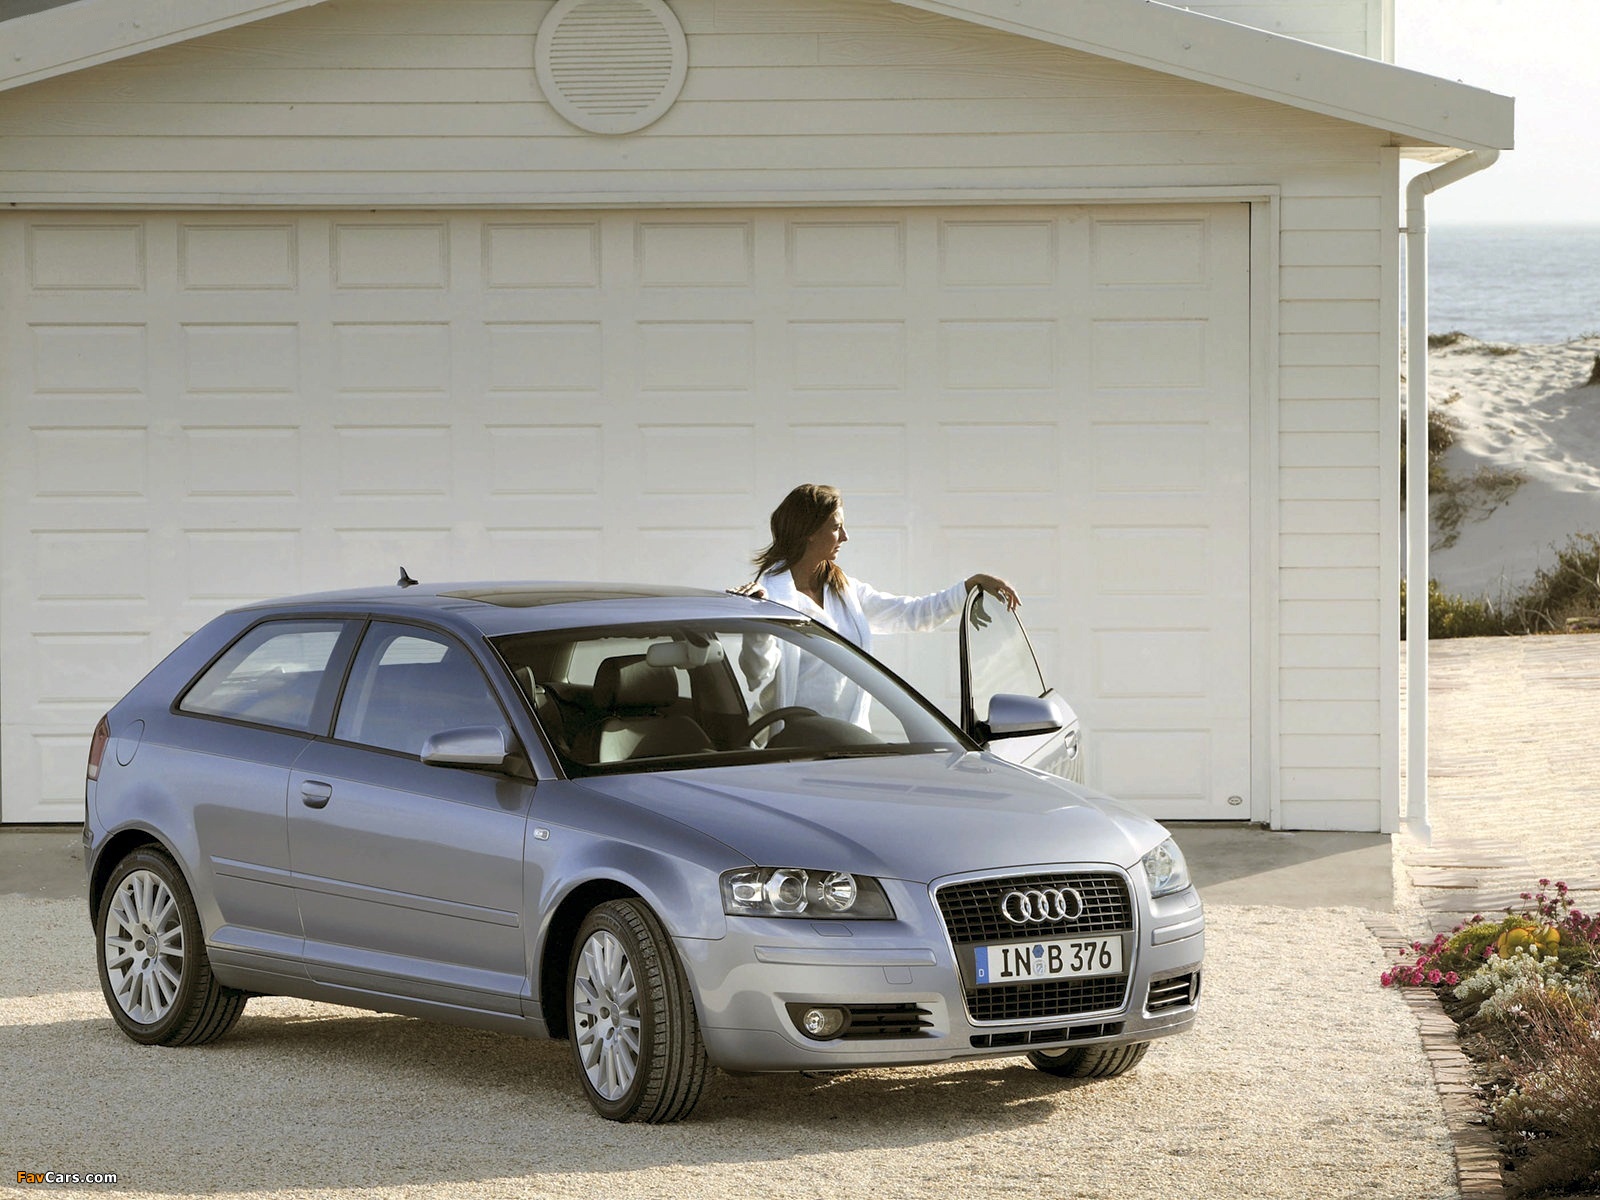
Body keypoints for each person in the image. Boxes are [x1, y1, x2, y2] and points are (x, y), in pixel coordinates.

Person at [732, 483, 1019, 728]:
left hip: (852, 743)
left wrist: (967, 587)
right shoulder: (770, 596)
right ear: (809, 531)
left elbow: (910, 614)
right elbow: (757, 674)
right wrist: (759, 618)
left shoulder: (844, 590)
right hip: (795, 746)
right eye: (836, 527)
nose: (845, 536)